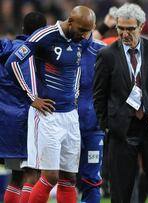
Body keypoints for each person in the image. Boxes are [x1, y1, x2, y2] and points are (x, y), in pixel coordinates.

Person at [5, 6, 95, 203]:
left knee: (69, 178)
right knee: (49, 176)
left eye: (89, 31)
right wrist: (31, 97)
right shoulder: (44, 36)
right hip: (48, 116)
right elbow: (12, 63)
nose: (85, 35)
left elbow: (77, 67)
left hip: (70, 115)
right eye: (82, 30)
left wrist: (76, 95)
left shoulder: (81, 39)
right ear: (70, 21)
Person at [93, 3, 148, 203]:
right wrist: (108, 126)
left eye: (130, 28)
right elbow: (99, 96)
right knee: (121, 195)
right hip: (122, 132)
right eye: (120, 28)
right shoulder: (107, 55)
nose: (124, 33)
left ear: (141, 27)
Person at [0, 11, 46, 202]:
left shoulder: (6, 49)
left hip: (6, 125)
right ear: (44, 31)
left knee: (16, 176)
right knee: (33, 174)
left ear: (22, 29)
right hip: (28, 121)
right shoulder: (37, 54)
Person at [77, 35, 105, 203]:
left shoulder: (103, 51)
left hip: (94, 127)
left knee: (92, 179)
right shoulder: (62, 48)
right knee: (65, 178)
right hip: (67, 126)